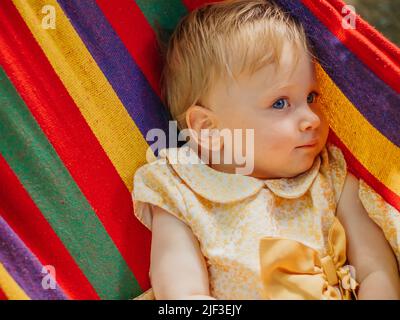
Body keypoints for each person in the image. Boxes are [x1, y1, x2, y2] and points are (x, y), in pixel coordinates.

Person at [132, 0, 400, 300]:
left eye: (311, 97)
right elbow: (182, 296)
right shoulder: (181, 193)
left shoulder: (331, 180)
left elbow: (378, 269)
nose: (311, 119)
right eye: (280, 103)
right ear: (208, 129)